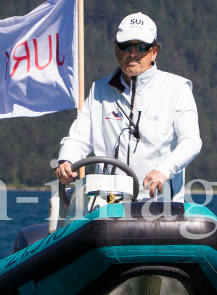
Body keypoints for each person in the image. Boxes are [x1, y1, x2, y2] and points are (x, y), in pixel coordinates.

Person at [55, 12, 202, 201]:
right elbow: (78, 139)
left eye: (141, 47)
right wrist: (66, 160)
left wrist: (164, 170)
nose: (133, 53)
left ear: (154, 51)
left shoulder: (177, 88)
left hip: (161, 208)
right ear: (116, 49)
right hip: (107, 207)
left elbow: (191, 142)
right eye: (126, 46)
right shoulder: (99, 90)